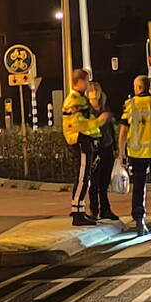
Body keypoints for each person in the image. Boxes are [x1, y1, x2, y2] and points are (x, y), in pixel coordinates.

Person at [118, 75, 151, 237]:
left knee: (139, 188)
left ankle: (140, 223)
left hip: (136, 154)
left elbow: (123, 131)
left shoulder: (131, 105)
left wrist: (121, 152)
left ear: (138, 87)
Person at [62, 69, 108, 226]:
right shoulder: (74, 100)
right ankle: (77, 213)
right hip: (80, 140)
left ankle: (80, 211)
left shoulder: (79, 99)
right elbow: (80, 123)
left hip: (84, 140)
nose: (88, 85)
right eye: (87, 81)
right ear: (80, 81)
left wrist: (95, 134)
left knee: (85, 177)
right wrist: (99, 122)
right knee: (83, 177)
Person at [86, 81, 119, 221]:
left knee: (104, 183)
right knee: (94, 182)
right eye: (91, 91)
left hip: (107, 148)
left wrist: (116, 147)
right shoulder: (86, 111)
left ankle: (106, 210)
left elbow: (112, 129)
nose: (94, 93)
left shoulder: (105, 109)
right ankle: (94, 210)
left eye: (96, 90)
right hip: (94, 150)